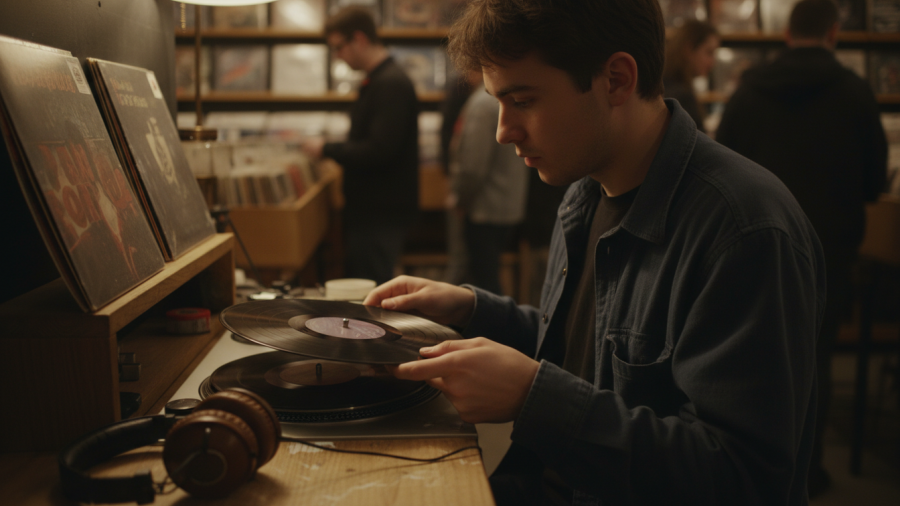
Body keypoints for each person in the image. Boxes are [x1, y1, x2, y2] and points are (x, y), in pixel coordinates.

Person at [363, 0, 825, 504]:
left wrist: (532, 398)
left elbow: (743, 480)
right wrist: (473, 310)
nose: (503, 130)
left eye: (523, 99)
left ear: (616, 80)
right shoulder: (586, 192)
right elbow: (589, 350)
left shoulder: (744, 231)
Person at [715, 0, 888, 497]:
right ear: (834, 33)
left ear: (787, 34)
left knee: (746, 356)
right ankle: (807, 471)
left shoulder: (750, 91)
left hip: (747, 241)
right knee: (817, 354)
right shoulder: (856, 92)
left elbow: (718, 164)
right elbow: (875, 183)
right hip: (829, 245)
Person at [302, 6, 419, 285]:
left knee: (372, 295)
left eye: (339, 47)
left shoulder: (390, 83)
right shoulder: (379, 80)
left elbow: (379, 150)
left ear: (360, 39)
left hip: (379, 215)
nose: (337, 56)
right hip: (372, 212)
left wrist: (326, 149)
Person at [447, 70, 530, 295]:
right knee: (487, 276)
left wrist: (460, 198)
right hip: (507, 205)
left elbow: (473, 165)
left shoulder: (482, 104)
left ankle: (490, 330)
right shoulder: (506, 99)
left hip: (483, 207)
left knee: (482, 282)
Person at [662, 19, 719, 133]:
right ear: (689, 49)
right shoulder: (681, 96)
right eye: (709, 52)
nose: (712, 62)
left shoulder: (664, 83)